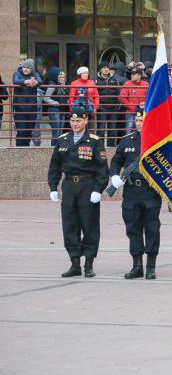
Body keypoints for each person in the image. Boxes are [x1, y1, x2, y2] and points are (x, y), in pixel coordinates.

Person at [47, 107, 109, 278]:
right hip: (69, 186)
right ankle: (75, 263)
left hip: (87, 185)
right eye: (72, 121)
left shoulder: (94, 141)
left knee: (89, 225)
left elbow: (102, 168)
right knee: (70, 225)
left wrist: (98, 189)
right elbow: (54, 165)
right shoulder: (63, 140)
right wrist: (53, 187)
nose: (75, 124)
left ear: (86, 121)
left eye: (78, 120)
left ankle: (89, 263)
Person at [109, 109, 162, 280]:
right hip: (132, 191)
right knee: (133, 228)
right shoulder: (127, 140)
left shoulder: (158, 141)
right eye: (137, 120)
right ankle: (137, 265)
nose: (139, 123)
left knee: (152, 229)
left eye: (142, 120)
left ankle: (151, 266)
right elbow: (116, 161)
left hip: (151, 190)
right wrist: (115, 175)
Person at [12, 59, 42, 146]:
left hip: (32, 109)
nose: (25, 69)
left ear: (31, 69)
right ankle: (19, 149)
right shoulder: (17, 73)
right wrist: (27, 82)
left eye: (28, 68)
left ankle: (26, 149)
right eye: (24, 67)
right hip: (19, 109)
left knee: (29, 132)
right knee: (21, 132)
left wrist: (35, 82)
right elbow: (16, 81)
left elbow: (40, 81)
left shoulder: (35, 74)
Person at [95, 62, 122, 147]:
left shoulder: (114, 79)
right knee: (101, 128)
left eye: (107, 67)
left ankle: (111, 146)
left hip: (113, 107)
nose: (106, 69)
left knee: (112, 128)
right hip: (102, 107)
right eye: (104, 68)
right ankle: (100, 146)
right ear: (100, 69)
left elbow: (118, 93)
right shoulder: (95, 80)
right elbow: (95, 94)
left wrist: (118, 104)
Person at [43, 68, 69, 146]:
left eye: (64, 77)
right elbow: (46, 98)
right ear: (55, 76)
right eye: (61, 77)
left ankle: (58, 147)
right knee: (56, 131)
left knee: (60, 131)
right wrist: (54, 102)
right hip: (54, 110)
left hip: (62, 110)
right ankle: (54, 147)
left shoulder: (62, 85)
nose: (63, 78)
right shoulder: (52, 85)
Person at [119, 67, 148, 133]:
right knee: (129, 130)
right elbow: (122, 98)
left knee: (144, 130)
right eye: (132, 74)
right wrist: (132, 106)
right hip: (131, 112)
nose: (132, 75)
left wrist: (145, 104)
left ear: (139, 76)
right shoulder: (127, 84)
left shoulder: (146, 85)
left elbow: (149, 97)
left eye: (134, 74)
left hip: (143, 112)